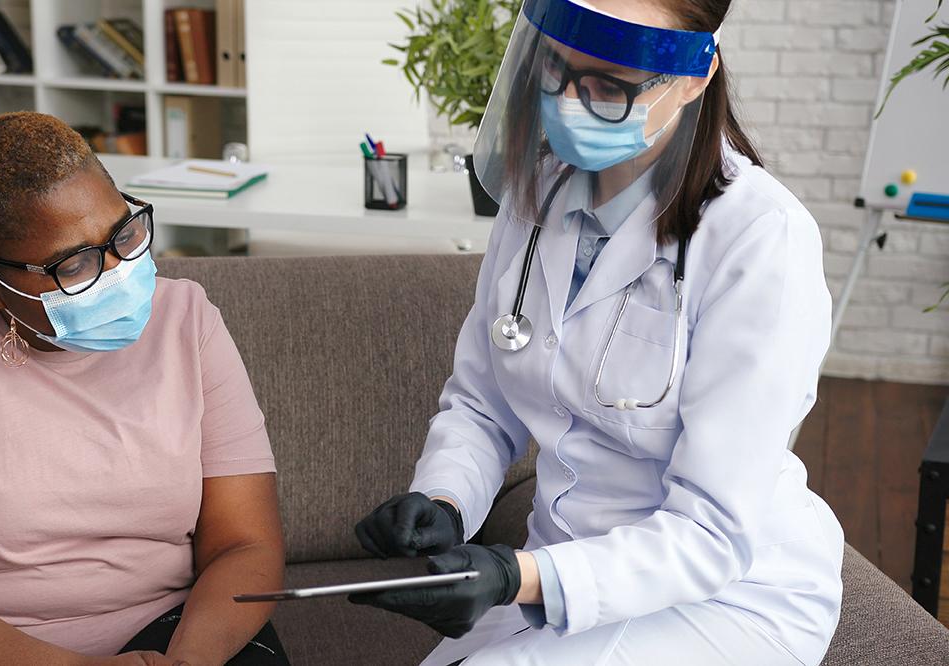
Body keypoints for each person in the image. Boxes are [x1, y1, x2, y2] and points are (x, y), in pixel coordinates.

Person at [351, 0, 844, 664]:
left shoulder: (760, 240)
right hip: (560, 569)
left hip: (725, 595)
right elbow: (480, 404)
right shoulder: (538, 195)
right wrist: (444, 498)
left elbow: (713, 533)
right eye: (554, 67)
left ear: (694, 78)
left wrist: (512, 577)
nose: (567, 102)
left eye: (608, 85)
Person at [0, 112, 289, 666]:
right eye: (75, 263)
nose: (118, 270)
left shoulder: (188, 319)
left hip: (174, 630)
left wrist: (188, 662)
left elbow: (245, 545)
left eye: (124, 233)